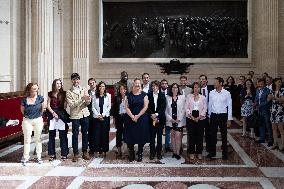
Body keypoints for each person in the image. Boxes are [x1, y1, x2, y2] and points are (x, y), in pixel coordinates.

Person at [66, 73, 91, 162]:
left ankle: (85, 152)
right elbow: (72, 105)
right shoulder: (69, 92)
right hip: (75, 115)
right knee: (75, 135)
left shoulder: (84, 89)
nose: (76, 81)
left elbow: (87, 103)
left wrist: (88, 99)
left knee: (85, 133)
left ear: (79, 80)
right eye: (74, 79)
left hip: (85, 114)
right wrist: (82, 99)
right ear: (72, 80)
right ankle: (76, 153)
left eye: (77, 79)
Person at [124, 79, 149, 162]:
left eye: (139, 83)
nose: (137, 84)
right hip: (130, 118)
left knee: (141, 136)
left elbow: (145, 107)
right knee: (130, 136)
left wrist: (137, 116)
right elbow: (126, 107)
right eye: (136, 83)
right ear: (133, 85)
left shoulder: (144, 95)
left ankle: (140, 153)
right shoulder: (129, 95)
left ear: (140, 84)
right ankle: (132, 153)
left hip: (141, 118)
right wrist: (132, 116)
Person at [208, 77, 232, 160]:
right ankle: (212, 153)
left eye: (216, 82)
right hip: (214, 115)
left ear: (221, 83)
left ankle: (225, 154)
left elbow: (230, 106)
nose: (214, 84)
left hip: (223, 116)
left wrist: (229, 119)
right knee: (212, 135)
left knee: (224, 135)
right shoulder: (211, 93)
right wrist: (209, 116)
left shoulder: (227, 93)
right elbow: (210, 105)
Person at [20, 83, 45, 164]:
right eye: (34, 89)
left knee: (38, 139)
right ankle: (26, 157)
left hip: (38, 120)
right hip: (27, 120)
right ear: (29, 89)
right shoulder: (24, 99)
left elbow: (42, 108)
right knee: (27, 139)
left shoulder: (40, 98)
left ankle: (39, 157)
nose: (36, 90)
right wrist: (27, 116)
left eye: (36, 89)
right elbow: (22, 110)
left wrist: (39, 116)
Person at [47, 79, 69, 161]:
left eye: (60, 83)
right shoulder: (50, 93)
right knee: (51, 135)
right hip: (52, 115)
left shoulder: (64, 93)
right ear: (54, 84)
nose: (59, 85)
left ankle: (64, 153)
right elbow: (48, 106)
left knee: (63, 135)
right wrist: (53, 113)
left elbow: (65, 106)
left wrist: (59, 114)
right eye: (57, 83)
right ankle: (52, 154)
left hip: (61, 115)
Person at [185, 82, 207, 160]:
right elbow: (186, 107)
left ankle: (199, 152)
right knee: (191, 136)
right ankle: (191, 152)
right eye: (195, 87)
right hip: (191, 117)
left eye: (198, 87)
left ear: (200, 88)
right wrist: (191, 116)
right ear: (193, 88)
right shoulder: (189, 96)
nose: (196, 89)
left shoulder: (203, 97)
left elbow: (205, 108)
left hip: (200, 118)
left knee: (200, 136)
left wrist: (199, 117)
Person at [165, 83, 186, 160]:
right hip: (171, 121)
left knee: (178, 137)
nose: (175, 89)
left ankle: (177, 152)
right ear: (171, 89)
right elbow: (165, 110)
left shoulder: (182, 97)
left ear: (178, 89)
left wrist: (179, 119)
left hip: (179, 121)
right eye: (173, 87)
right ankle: (174, 152)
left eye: (176, 87)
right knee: (172, 136)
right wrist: (170, 119)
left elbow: (184, 109)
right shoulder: (167, 97)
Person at [148, 80, 166, 160]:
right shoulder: (148, 95)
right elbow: (146, 106)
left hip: (160, 119)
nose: (154, 87)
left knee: (159, 138)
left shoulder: (162, 95)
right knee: (152, 138)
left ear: (158, 87)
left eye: (156, 86)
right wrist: (151, 114)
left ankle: (159, 153)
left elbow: (163, 107)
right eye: (153, 86)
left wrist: (157, 114)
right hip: (151, 119)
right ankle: (152, 153)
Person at [92, 81, 111, 157]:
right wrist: (98, 115)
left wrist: (102, 115)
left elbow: (109, 106)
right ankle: (96, 150)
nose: (101, 88)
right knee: (96, 134)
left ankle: (104, 150)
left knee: (104, 134)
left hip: (105, 117)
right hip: (96, 118)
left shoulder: (108, 95)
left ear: (105, 87)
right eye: (100, 86)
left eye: (103, 86)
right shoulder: (94, 96)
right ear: (98, 87)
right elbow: (93, 107)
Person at [255, 78, 273, 146]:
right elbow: (256, 98)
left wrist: (259, 105)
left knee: (268, 125)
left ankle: (271, 140)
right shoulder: (257, 90)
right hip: (259, 110)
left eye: (262, 83)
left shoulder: (268, 90)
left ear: (264, 84)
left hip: (266, 110)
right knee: (261, 124)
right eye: (259, 83)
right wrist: (255, 103)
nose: (260, 85)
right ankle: (262, 138)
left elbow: (268, 101)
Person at [267, 78, 284, 150]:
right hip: (273, 111)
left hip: (280, 111)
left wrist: (274, 97)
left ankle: (283, 144)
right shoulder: (272, 90)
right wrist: (269, 97)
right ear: (275, 83)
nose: (280, 83)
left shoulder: (282, 90)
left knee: (281, 129)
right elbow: (268, 100)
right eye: (278, 82)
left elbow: (282, 100)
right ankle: (275, 143)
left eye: (280, 82)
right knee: (274, 128)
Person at [199, 74, 214, 152]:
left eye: (203, 79)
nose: (202, 81)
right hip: (200, 114)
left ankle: (209, 148)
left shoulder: (211, 89)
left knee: (209, 132)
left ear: (206, 80)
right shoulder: (197, 89)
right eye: (200, 79)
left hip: (209, 113)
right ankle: (199, 148)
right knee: (200, 132)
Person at [113, 83, 128, 157]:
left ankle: (126, 151)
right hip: (119, 117)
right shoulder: (116, 98)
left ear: (126, 90)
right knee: (119, 134)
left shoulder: (128, 97)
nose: (122, 90)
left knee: (127, 133)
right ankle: (119, 151)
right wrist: (114, 119)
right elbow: (114, 109)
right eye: (121, 89)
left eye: (123, 89)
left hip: (126, 117)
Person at [160, 79, 172, 152]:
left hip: (168, 114)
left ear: (167, 85)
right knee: (159, 131)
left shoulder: (170, 93)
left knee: (167, 131)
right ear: (161, 85)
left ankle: (167, 146)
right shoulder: (158, 92)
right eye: (162, 83)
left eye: (165, 83)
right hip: (160, 115)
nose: (164, 85)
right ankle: (159, 145)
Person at [87, 78, 96, 156]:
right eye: (90, 83)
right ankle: (91, 148)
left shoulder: (99, 92)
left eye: (93, 82)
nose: (92, 84)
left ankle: (97, 147)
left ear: (95, 83)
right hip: (89, 115)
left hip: (98, 115)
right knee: (90, 132)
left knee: (97, 131)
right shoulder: (87, 92)